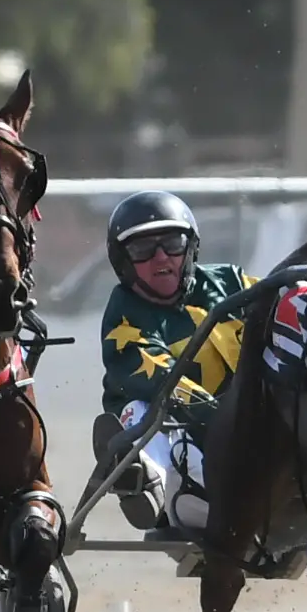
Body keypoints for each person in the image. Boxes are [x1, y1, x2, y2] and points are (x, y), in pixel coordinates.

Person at [95, 191, 248, 533]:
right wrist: (226, 422)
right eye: (142, 249)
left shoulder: (231, 282)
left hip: (244, 428)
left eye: (172, 243)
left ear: (190, 248)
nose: (160, 256)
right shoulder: (125, 310)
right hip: (177, 424)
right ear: (123, 261)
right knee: (144, 412)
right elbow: (161, 376)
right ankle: (150, 481)